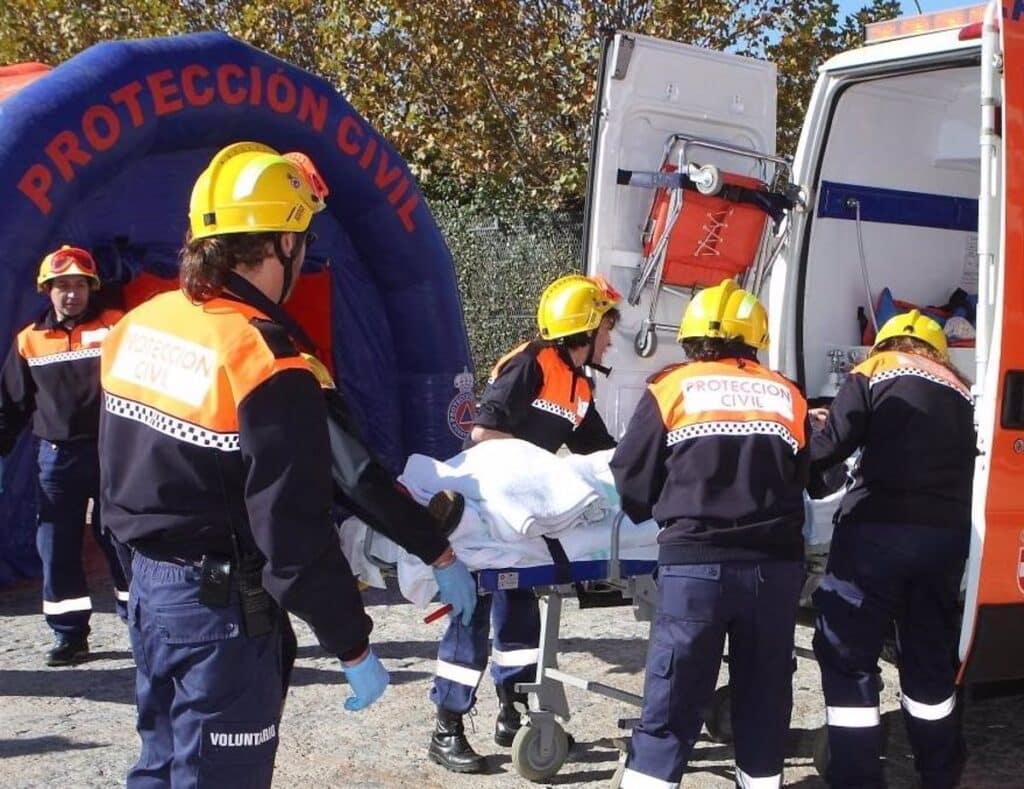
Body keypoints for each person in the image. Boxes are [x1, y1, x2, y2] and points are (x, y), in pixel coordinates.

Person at [99, 142, 390, 788]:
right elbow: (293, 537)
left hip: (151, 594)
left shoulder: (137, 326)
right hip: (219, 611)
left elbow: (113, 480)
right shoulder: (266, 358)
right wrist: (353, 641)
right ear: (284, 243)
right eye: (303, 241)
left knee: (162, 764)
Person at [609, 279, 809, 788]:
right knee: (764, 700)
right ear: (754, 338)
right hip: (774, 569)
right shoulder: (787, 394)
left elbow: (631, 474)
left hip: (696, 569)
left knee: (673, 702)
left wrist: (655, 513)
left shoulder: (671, 389)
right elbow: (816, 475)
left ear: (694, 337)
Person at [428, 273, 620, 773]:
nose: (610, 338)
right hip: (489, 513)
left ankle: (512, 715)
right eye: (606, 327)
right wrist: (533, 477)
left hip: (521, 524)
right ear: (585, 327)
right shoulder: (530, 365)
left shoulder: (579, 384)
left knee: (519, 615)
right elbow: (484, 433)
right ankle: (445, 728)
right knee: (471, 614)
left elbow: (600, 452)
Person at [808, 310, 975, 789]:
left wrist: (795, 469)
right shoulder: (960, 389)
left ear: (884, 343)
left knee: (847, 655)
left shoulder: (875, 370)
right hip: (944, 540)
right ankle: (939, 772)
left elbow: (831, 445)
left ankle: (859, 777)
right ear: (936, 351)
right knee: (927, 658)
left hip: (876, 535)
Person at [0, 245, 130, 666]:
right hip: (56, 460)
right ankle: (69, 635)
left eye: (79, 285)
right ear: (47, 290)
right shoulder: (29, 342)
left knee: (124, 541)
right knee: (57, 546)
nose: (71, 294)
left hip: (112, 455)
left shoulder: (118, 328)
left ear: (93, 288)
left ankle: (141, 622)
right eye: (62, 286)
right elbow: (11, 406)